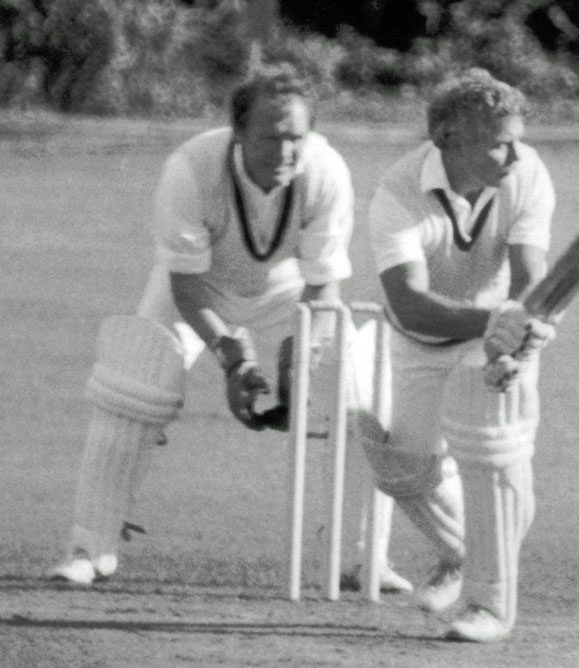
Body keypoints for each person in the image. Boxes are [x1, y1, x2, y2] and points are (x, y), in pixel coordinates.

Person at [51, 62, 411, 594]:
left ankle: (358, 555)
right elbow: (187, 283)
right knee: (133, 383)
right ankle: (90, 546)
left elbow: (323, 283)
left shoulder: (326, 172)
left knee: (360, 395)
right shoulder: (192, 169)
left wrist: (300, 358)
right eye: (271, 137)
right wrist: (233, 358)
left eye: (297, 137)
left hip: (292, 292)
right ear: (238, 132)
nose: (286, 152)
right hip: (200, 288)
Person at [360, 68, 557, 642]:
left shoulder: (527, 173)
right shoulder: (397, 193)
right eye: (499, 141)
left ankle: (488, 606)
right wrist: (497, 320)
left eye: (517, 137)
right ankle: (461, 559)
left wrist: (525, 330)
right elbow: (411, 302)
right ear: (448, 137)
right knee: (406, 469)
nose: (515, 153)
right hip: (423, 337)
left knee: (495, 453)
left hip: (496, 333)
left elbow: (531, 274)